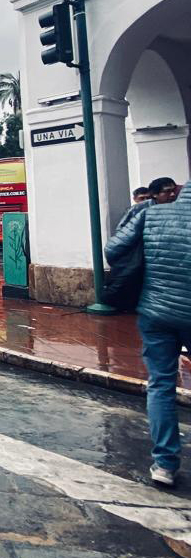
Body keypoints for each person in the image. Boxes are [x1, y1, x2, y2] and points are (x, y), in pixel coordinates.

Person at [106, 183, 191, 487]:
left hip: (156, 312)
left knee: (161, 385)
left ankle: (165, 464)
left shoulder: (152, 215)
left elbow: (113, 251)